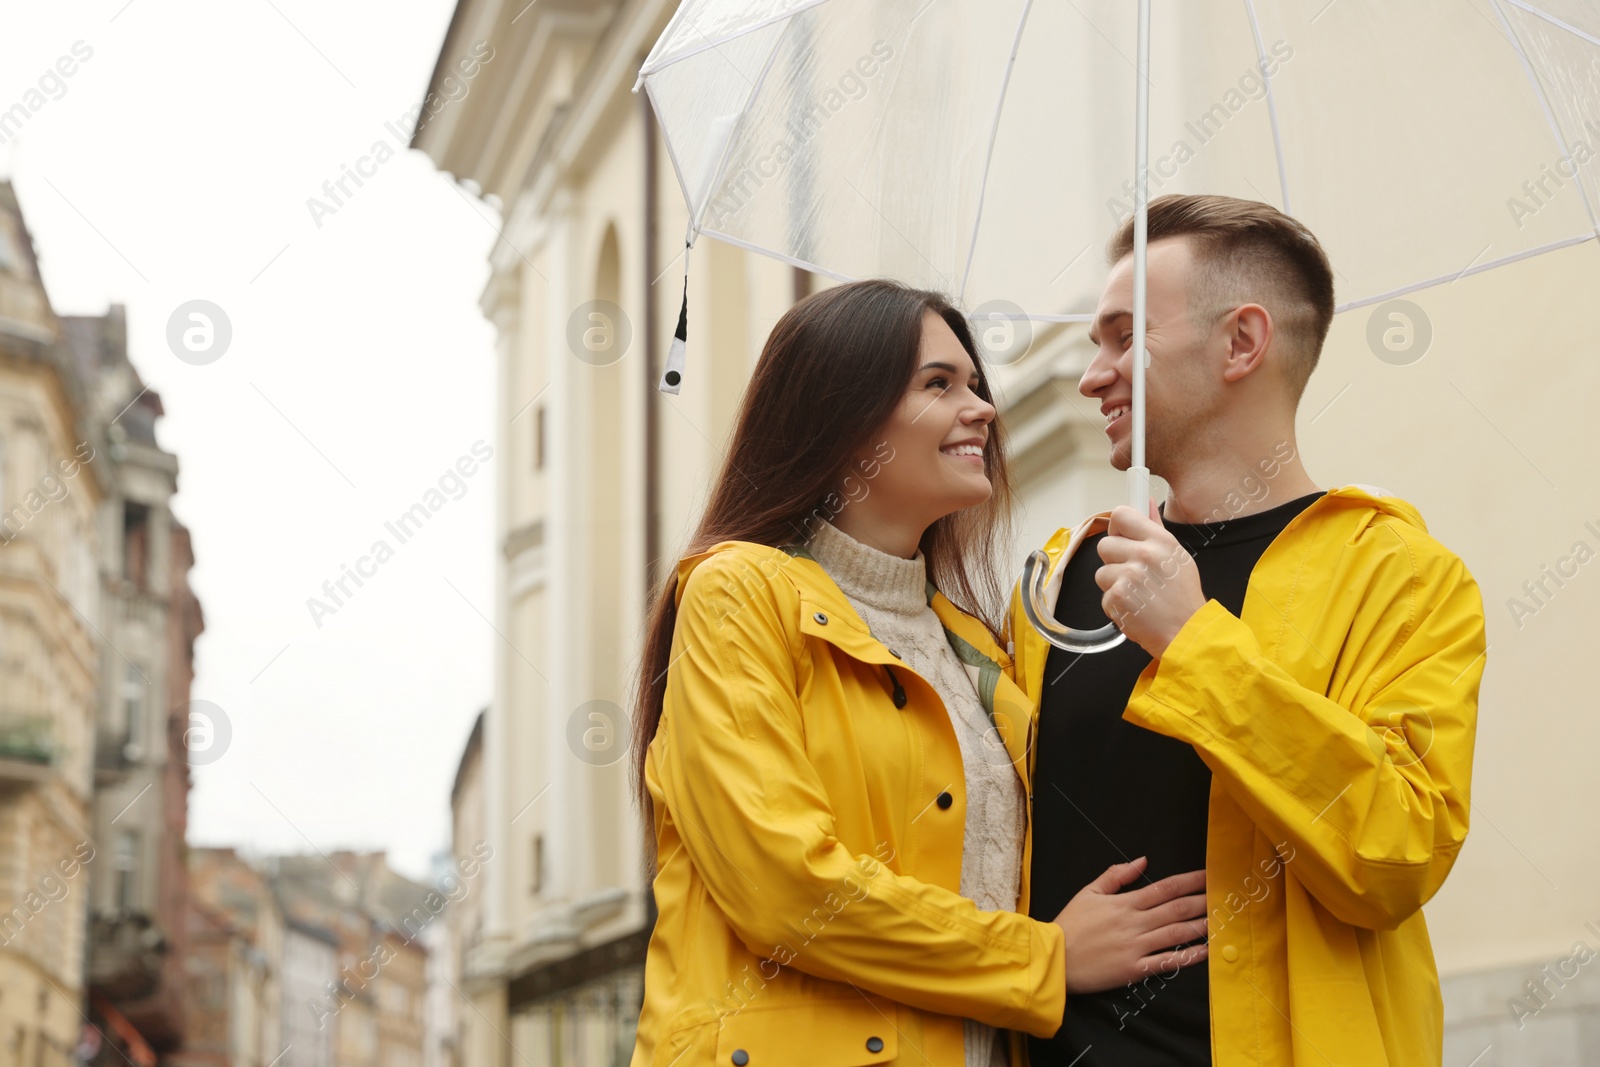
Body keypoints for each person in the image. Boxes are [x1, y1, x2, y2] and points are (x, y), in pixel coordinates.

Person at [628, 279, 1208, 1067]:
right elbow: (785, 887)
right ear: (842, 415)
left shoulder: (978, 647)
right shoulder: (739, 594)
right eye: (939, 384)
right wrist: (1044, 959)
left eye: (976, 384)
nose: (984, 410)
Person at [1012, 194, 1487, 1065]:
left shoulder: (1402, 578)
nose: (1092, 374)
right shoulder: (1056, 581)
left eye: (1124, 336)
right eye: (1093, 343)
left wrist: (1192, 643)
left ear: (1242, 342)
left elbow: (1399, 854)